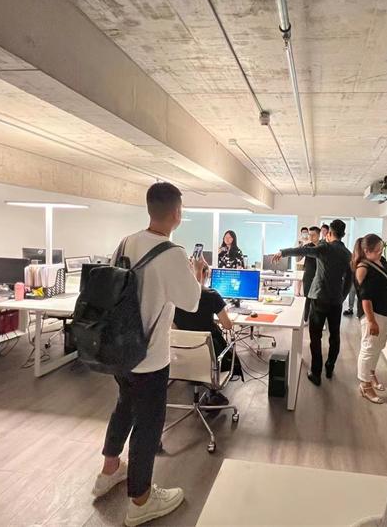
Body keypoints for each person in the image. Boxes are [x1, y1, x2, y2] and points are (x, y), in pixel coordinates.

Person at [92, 182, 204, 526]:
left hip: (119, 349)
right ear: (177, 214)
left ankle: (110, 470)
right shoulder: (172, 253)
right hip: (151, 356)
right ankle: (140, 500)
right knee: (149, 424)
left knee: (124, 407)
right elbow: (192, 301)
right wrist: (197, 273)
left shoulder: (126, 242)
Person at [273, 219, 352, 386]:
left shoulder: (325, 248)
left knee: (315, 337)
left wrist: (282, 252)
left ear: (330, 233)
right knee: (335, 335)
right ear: (343, 234)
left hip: (319, 298)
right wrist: (342, 296)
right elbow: (349, 280)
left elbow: (303, 250)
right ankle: (329, 367)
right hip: (336, 301)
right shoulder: (347, 253)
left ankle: (316, 373)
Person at [173, 264, 243, 408]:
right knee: (224, 349)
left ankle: (199, 385)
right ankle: (213, 392)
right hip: (210, 359)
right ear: (205, 275)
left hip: (182, 359)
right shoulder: (211, 295)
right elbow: (227, 325)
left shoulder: (174, 297)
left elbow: (173, 329)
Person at [352, 233, 387, 404]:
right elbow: (365, 297)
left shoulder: (381, 261)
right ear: (366, 251)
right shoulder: (363, 267)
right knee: (369, 347)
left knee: (378, 346)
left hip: (386, 311)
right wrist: (371, 320)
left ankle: (370, 375)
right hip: (373, 313)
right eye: (377, 250)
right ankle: (365, 385)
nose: (380, 252)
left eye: (381, 249)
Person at [301, 226, 321, 321]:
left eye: (313, 235)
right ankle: (305, 318)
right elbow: (298, 259)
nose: (311, 237)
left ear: (319, 235)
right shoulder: (307, 246)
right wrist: (301, 246)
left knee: (318, 300)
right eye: (310, 235)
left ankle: (318, 320)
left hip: (320, 276)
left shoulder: (323, 247)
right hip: (308, 275)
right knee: (307, 298)